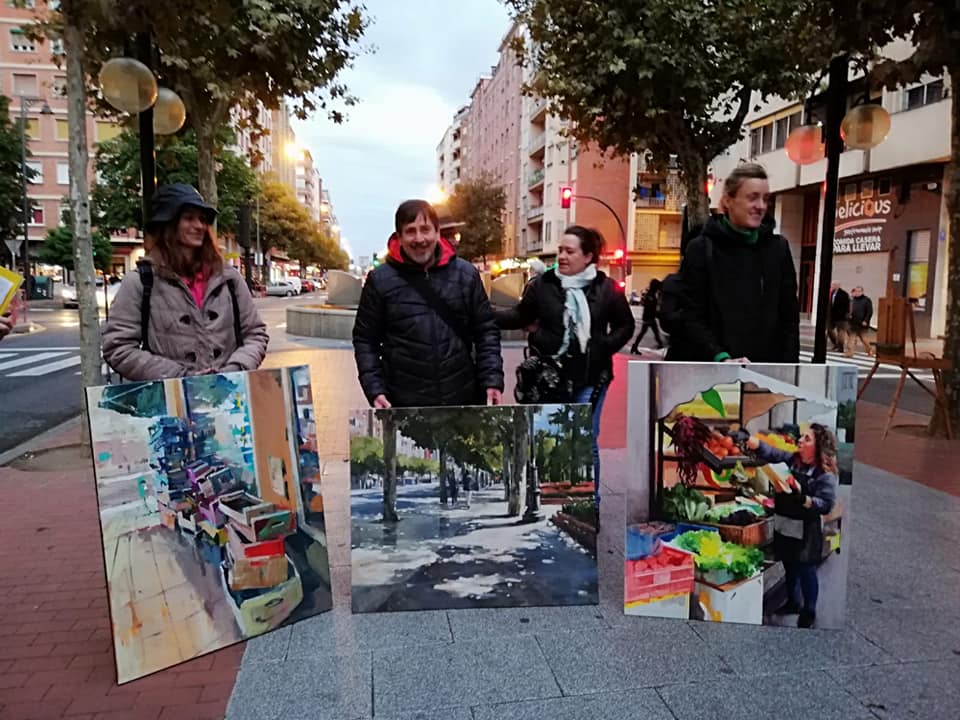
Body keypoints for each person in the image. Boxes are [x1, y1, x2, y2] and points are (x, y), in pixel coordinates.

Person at [495, 225, 635, 505]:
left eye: (569, 251)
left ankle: (589, 506)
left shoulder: (606, 289)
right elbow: (519, 316)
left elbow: (625, 325)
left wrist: (602, 346)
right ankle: (552, 501)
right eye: (560, 250)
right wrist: (481, 312)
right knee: (553, 436)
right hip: (549, 379)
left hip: (592, 378)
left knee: (585, 437)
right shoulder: (542, 285)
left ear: (588, 256)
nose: (562, 256)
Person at [102, 183, 269, 381]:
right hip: (170, 403)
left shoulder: (228, 278)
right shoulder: (141, 281)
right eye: (188, 218)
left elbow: (256, 334)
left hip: (229, 397)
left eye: (202, 219)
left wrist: (235, 369)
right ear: (168, 223)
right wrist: (178, 377)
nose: (199, 226)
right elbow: (118, 347)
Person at [353, 199, 504, 408]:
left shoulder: (466, 274)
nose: (419, 239)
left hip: (462, 399)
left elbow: (486, 331)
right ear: (399, 236)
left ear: (437, 231)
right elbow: (365, 340)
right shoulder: (379, 280)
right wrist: (375, 388)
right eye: (410, 231)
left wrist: (492, 380)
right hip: (403, 404)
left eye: (425, 229)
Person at [664, 163, 800, 363]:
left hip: (762, 377)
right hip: (713, 375)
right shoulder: (701, 249)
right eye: (752, 197)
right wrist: (720, 357)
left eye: (765, 199)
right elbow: (690, 315)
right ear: (728, 201)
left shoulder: (778, 249)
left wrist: (787, 372)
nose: (761, 206)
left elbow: (788, 319)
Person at [747, 424, 838, 629]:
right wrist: (756, 444)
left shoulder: (825, 475)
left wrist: (804, 499)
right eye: (801, 437)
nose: (800, 441)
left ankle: (809, 610)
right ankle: (793, 602)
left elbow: (826, 504)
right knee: (789, 564)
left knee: (806, 569)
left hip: (806, 530)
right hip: (785, 523)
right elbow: (773, 452)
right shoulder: (793, 460)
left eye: (807, 439)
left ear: (818, 446)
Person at [630, 278, 665, 353]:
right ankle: (660, 344)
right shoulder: (650, 296)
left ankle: (635, 346)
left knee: (647, 332)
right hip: (649, 318)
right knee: (648, 332)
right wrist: (656, 314)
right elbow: (649, 308)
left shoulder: (651, 294)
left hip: (649, 318)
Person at [847, 286, 873, 356]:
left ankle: (870, 350)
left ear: (862, 292)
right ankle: (849, 353)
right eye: (856, 291)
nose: (857, 293)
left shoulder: (866, 300)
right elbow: (849, 310)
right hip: (853, 322)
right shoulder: (852, 300)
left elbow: (869, 312)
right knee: (851, 338)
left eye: (859, 291)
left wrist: (866, 320)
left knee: (864, 339)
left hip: (862, 323)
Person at [828, 283, 851, 354]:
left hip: (841, 317)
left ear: (837, 286)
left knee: (841, 332)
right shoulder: (832, 293)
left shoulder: (844, 294)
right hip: (832, 316)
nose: (832, 286)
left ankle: (840, 347)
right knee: (829, 330)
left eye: (833, 285)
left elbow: (846, 306)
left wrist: (845, 314)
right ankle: (835, 344)